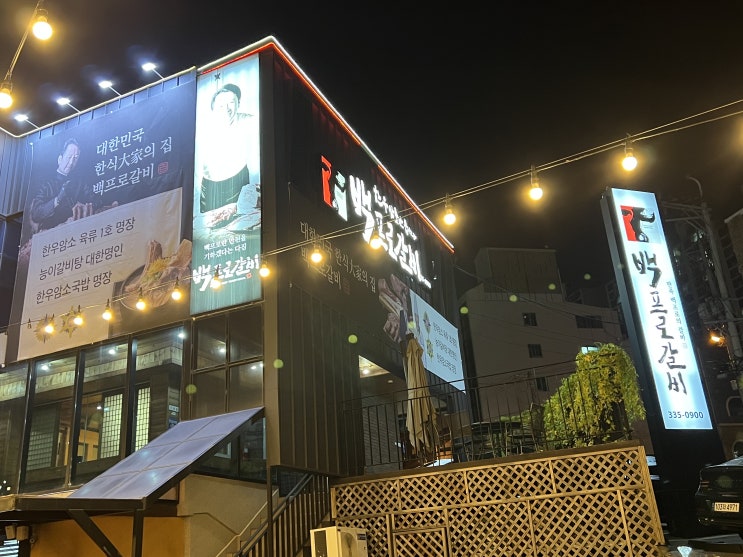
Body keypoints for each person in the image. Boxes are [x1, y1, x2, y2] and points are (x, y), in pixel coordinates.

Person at [197, 83, 260, 231]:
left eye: (231, 102)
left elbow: (257, 157)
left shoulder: (249, 121)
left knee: (240, 226)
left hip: (239, 181)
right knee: (208, 228)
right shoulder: (203, 129)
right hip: (210, 187)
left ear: (239, 104)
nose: (226, 108)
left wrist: (254, 188)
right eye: (221, 105)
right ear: (213, 108)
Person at [29, 138, 92, 233]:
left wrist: (85, 206)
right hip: (50, 234)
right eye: (69, 157)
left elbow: (94, 200)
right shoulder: (46, 183)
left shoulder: (79, 183)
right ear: (60, 159)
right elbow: (36, 214)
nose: (71, 163)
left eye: (75, 159)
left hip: (75, 231)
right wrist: (57, 200)